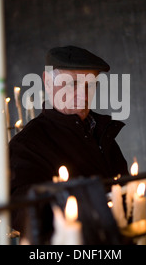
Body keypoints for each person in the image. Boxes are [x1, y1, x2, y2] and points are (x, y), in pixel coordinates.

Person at [9, 45, 129, 237]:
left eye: (89, 85)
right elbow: (22, 213)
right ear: (48, 82)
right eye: (72, 84)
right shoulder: (26, 145)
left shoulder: (101, 131)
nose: (83, 95)